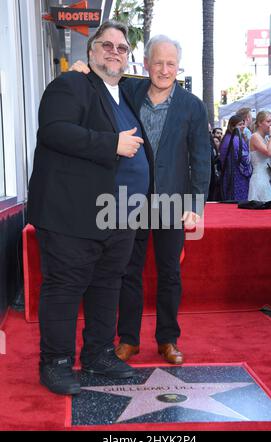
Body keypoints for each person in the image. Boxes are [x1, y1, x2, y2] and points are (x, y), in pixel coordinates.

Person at [27, 20, 153, 395]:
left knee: (107, 285)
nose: (115, 51)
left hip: (120, 215)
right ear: (91, 52)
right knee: (65, 287)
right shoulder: (70, 84)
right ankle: (56, 362)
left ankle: (98, 354)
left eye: (122, 47)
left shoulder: (125, 94)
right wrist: (110, 144)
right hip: (72, 212)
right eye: (107, 45)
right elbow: (53, 130)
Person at [71, 34, 211, 365]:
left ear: (178, 67)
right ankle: (129, 340)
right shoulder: (129, 91)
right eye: (158, 62)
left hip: (172, 202)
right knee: (126, 271)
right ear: (146, 64)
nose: (164, 69)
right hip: (129, 199)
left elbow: (201, 160)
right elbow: (103, 79)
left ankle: (168, 339)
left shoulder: (193, 106)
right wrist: (84, 73)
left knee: (169, 273)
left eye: (171, 64)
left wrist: (196, 206)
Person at [219, 115, 252, 201]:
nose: (243, 126)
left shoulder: (226, 138)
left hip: (228, 176)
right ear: (232, 126)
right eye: (240, 124)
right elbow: (244, 160)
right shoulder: (236, 140)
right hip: (238, 178)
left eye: (243, 124)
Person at [248, 111, 271, 202]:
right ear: (260, 123)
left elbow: (268, 156)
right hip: (259, 179)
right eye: (268, 121)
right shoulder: (255, 136)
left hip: (266, 177)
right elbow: (268, 152)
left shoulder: (265, 137)